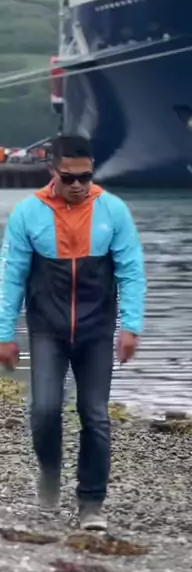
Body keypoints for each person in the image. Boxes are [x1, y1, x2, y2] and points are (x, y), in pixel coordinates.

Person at [0, 135, 146, 531]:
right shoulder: (28, 214)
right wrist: (4, 333)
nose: (78, 185)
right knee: (45, 409)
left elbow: (131, 272)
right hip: (47, 330)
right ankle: (50, 474)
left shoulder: (113, 211)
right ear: (53, 171)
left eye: (85, 176)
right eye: (69, 178)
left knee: (94, 415)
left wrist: (131, 326)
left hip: (96, 331)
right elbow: (11, 277)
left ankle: (90, 504)